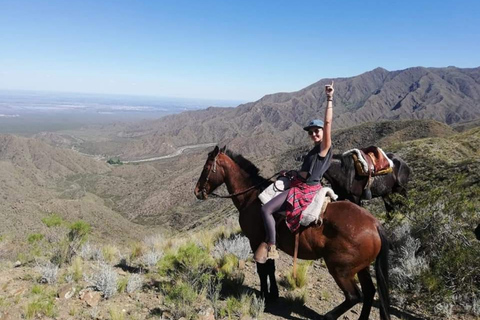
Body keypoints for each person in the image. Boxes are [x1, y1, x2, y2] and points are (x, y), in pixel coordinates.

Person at [261, 81, 334, 259]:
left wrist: (329, 98)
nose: (314, 134)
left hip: (304, 190)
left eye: (317, 131)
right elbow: (308, 171)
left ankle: (271, 245)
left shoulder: (324, 147)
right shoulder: (315, 149)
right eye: (311, 132)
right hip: (304, 183)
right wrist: (294, 173)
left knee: (266, 210)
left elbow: (328, 121)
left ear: (323, 132)